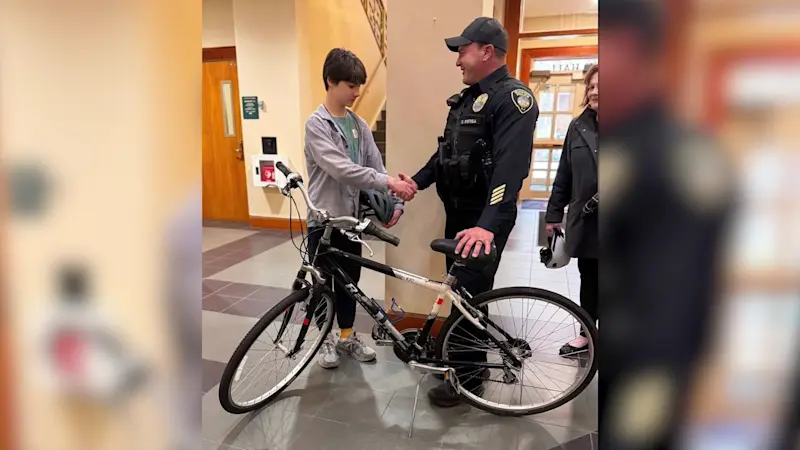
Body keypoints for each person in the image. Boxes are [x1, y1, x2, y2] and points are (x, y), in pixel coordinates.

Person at [600, 0, 735, 448]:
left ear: (629, 45)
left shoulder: (680, 156)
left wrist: (653, 385)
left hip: (651, 369)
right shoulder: (622, 139)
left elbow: (680, 291)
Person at [401, 17, 538, 408]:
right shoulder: (466, 100)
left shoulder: (513, 99)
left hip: (483, 218)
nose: (458, 59)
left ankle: (469, 380)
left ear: (486, 52)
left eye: (462, 50)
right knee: (461, 293)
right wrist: (414, 183)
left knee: (470, 295)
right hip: (459, 212)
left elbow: (511, 170)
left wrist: (486, 227)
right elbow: (445, 155)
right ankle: (465, 368)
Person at [303, 48, 416, 369]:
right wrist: (388, 182)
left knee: (350, 284)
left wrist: (394, 203)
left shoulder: (360, 126)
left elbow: (375, 167)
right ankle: (324, 341)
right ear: (330, 81)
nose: (356, 92)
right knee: (322, 285)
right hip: (323, 223)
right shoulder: (317, 125)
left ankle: (347, 336)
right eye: (350, 85)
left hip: (352, 224)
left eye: (358, 85)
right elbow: (340, 169)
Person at [544, 64, 598, 356]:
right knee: (589, 279)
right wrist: (553, 215)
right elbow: (564, 174)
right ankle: (586, 334)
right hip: (588, 219)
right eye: (591, 86)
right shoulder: (578, 127)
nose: (595, 91)